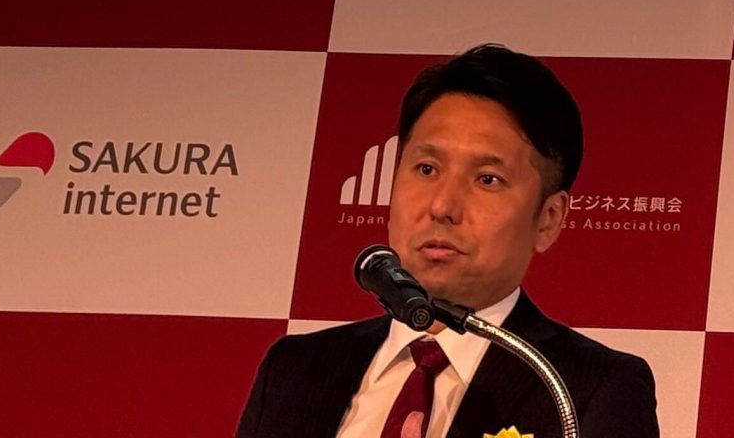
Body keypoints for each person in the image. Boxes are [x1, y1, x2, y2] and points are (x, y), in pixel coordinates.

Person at [236, 45, 659, 437]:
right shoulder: (294, 369)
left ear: (548, 220)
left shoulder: (589, 387)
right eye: (426, 169)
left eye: (487, 179)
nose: (442, 206)